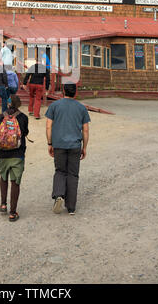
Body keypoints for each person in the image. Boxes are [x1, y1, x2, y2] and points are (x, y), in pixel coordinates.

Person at [45, 83, 90, 215]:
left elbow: (48, 127)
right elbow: (85, 130)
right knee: (73, 174)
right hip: (75, 145)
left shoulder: (54, 106)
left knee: (60, 171)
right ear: (75, 92)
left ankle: (59, 194)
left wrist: (49, 143)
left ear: (63, 91)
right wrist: (85, 147)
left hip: (59, 144)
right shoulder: (81, 108)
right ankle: (71, 207)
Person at [0, 95, 29, 222]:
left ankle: (3, 204)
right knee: (15, 181)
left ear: (8, 104)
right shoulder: (23, 117)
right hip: (17, 153)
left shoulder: (1, 116)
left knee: (3, 176)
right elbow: (25, 132)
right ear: (19, 104)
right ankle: (12, 212)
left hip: (2, 152)